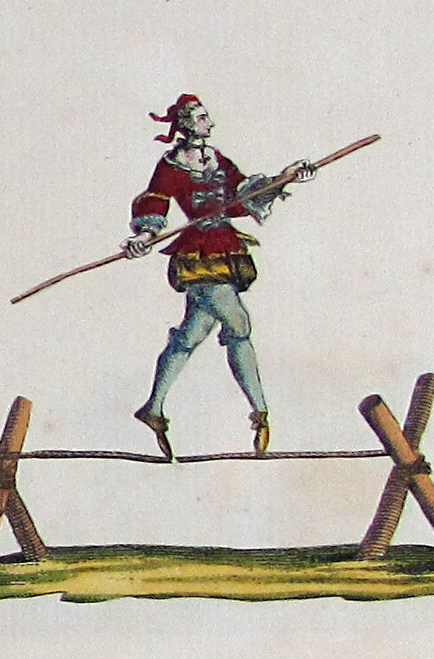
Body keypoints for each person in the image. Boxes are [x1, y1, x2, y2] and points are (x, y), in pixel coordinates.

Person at [121, 95, 310, 459]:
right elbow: (155, 200)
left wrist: (285, 177)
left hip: (226, 248)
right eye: (203, 118)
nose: (210, 123)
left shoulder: (216, 158)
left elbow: (242, 196)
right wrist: (144, 234)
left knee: (190, 336)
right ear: (186, 124)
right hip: (199, 255)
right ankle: (260, 412)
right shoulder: (172, 165)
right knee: (238, 324)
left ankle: (153, 408)